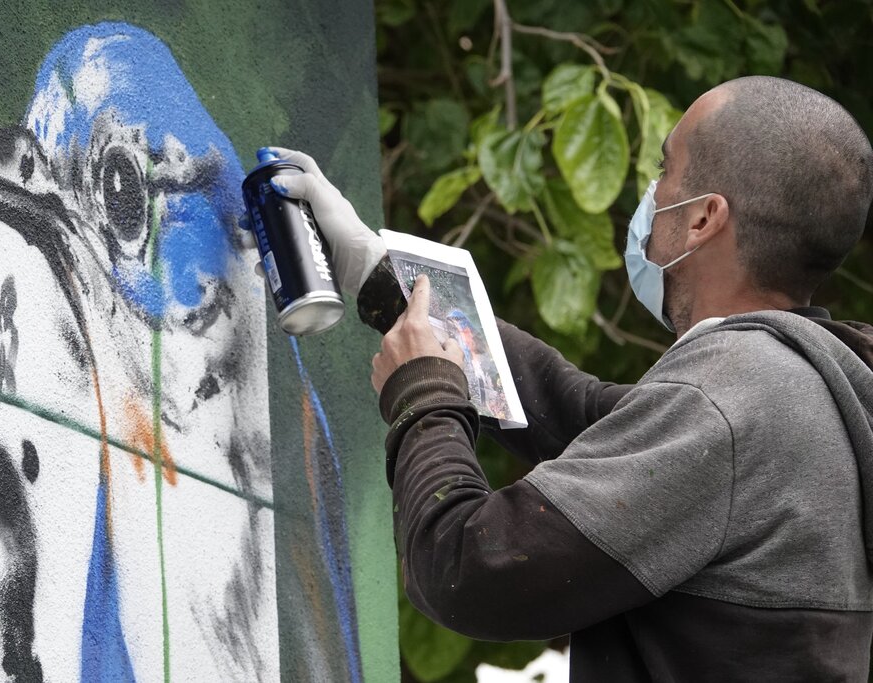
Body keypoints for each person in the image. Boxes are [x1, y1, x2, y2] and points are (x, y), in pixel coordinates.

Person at [266, 74, 873, 681]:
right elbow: (580, 413)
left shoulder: (729, 401)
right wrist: (379, 275)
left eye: (664, 169)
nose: (652, 192)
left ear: (702, 219)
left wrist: (423, 392)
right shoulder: (807, 387)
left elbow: (466, 570)